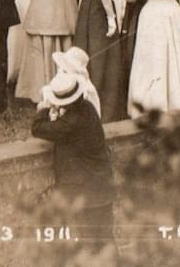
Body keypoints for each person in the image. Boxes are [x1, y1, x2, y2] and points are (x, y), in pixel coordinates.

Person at [31, 71, 117, 252]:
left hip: (86, 194)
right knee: (106, 241)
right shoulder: (87, 108)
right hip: (102, 187)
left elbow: (38, 128)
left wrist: (45, 107)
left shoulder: (69, 123)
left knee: (88, 245)